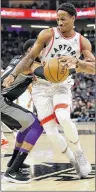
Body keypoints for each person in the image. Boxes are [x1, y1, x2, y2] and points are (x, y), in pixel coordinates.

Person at [3, 3, 95, 180]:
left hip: (62, 85)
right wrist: (13, 75)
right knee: (51, 132)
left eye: (63, 19)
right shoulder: (47, 34)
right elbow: (29, 57)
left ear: (73, 18)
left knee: (64, 117)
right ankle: (71, 160)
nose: (60, 22)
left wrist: (77, 62)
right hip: (41, 87)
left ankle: (79, 154)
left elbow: (93, 67)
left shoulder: (82, 41)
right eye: (58, 19)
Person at [2, 39, 83, 183]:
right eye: (41, 48)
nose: (44, 51)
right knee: (36, 126)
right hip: (2, 101)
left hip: (4, 100)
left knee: (25, 127)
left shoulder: (17, 59)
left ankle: (14, 162)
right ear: (29, 51)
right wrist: (78, 67)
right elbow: (49, 74)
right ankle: (12, 171)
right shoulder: (30, 63)